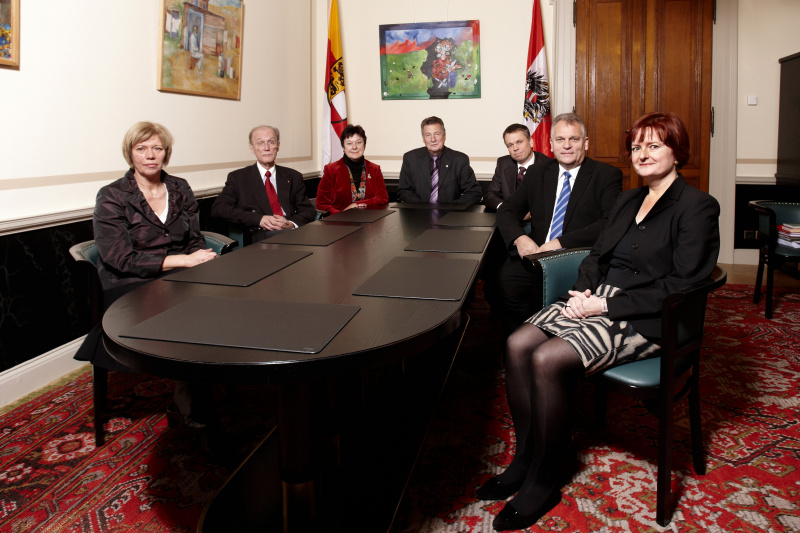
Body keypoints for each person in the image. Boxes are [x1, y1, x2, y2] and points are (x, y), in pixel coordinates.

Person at [477, 112, 721, 531]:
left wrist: (604, 307)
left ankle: (545, 479)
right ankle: (526, 457)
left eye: (654, 145)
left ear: (676, 151)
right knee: (518, 343)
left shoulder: (698, 207)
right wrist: (584, 291)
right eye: (637, 146)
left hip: (643, 315)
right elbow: (596, 256)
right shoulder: (628, 199)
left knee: (547, 359)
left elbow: (682, 284)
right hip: (598, 298)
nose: (642, 154)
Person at [75, 121, 217, 428]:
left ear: (167, 153)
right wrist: (182, 261)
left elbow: (194, 238)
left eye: (157, 148)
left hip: (179, 275)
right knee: (187, 314)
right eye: (141, 149)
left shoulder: (180, 187)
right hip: (128, 282)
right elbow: (118, 258)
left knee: (221, 302)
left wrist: (200, 258)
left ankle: (207, 383)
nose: (150, 155)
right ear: (130, 154)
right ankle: (187, 399)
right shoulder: (112, 195)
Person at [495, 113, 622, 334]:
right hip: (535, 256)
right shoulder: (537, 172)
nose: (567, 146)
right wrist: (520, 238)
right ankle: (523, 345)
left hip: (577, 259)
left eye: (574, 139)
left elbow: (609, 223)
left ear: (586, 143)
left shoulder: (606, 175)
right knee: (503, 286)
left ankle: (548, 345)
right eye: (560, 140)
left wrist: (559, 243)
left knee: (570, 308)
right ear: (551, 144)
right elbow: (507, 209)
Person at [211, 125, 316, 242]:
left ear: (278, 146)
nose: (267, 148)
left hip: (292, 233)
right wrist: (259, 219)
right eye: (260, 143)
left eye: (271, 142)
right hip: (261, 237)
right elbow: (219, 208)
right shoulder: (238, 178)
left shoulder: (293, 176)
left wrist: (291, 224)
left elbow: (308, 210)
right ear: (252, 148)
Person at [397, 116, 482, 205]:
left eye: (437, 134)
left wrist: (451, 208)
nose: (433, 139)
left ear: (444, 136)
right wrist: (423, 208)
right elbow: (403, 191)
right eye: (428, 135)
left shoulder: (460, 160)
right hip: (418, 214)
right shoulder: (410, 158)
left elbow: (474, 193)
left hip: (451, 215)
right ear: (423, 138)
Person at [315, 124, 389, 214]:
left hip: (369, 223)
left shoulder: (375, 169)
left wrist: (357, 204)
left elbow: (383, 198)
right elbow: (321, 204)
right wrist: (342, 215)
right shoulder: (331, 170)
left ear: (364, 145)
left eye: (358, 142)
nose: (354, 147)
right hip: (339, 224)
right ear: (343, 147)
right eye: (349, 143)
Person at [484, 123, 552, 212]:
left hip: (538, 220)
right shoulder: (503, 163)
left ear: (531, 142)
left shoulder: (548, 165)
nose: (515, 148)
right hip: (509, 219)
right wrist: (504, 207)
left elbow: (551, 201)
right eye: (510, 145)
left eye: (519, 142)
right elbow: (490, 194)